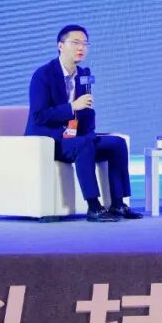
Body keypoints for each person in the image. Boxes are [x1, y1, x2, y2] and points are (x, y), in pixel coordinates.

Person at [25, 25, 141, 222]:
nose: (81, 48)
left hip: (74, 138)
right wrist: (72, 107)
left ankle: (118, 204)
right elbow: (39, 116)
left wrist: (89, 132)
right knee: (84, 145)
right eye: (75, 43)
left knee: (117, 144)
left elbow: (86, 111)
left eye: (85, 44)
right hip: (48, 141)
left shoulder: (83, 74)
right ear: (60, 46)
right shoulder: (43, 75)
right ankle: (94, 207)